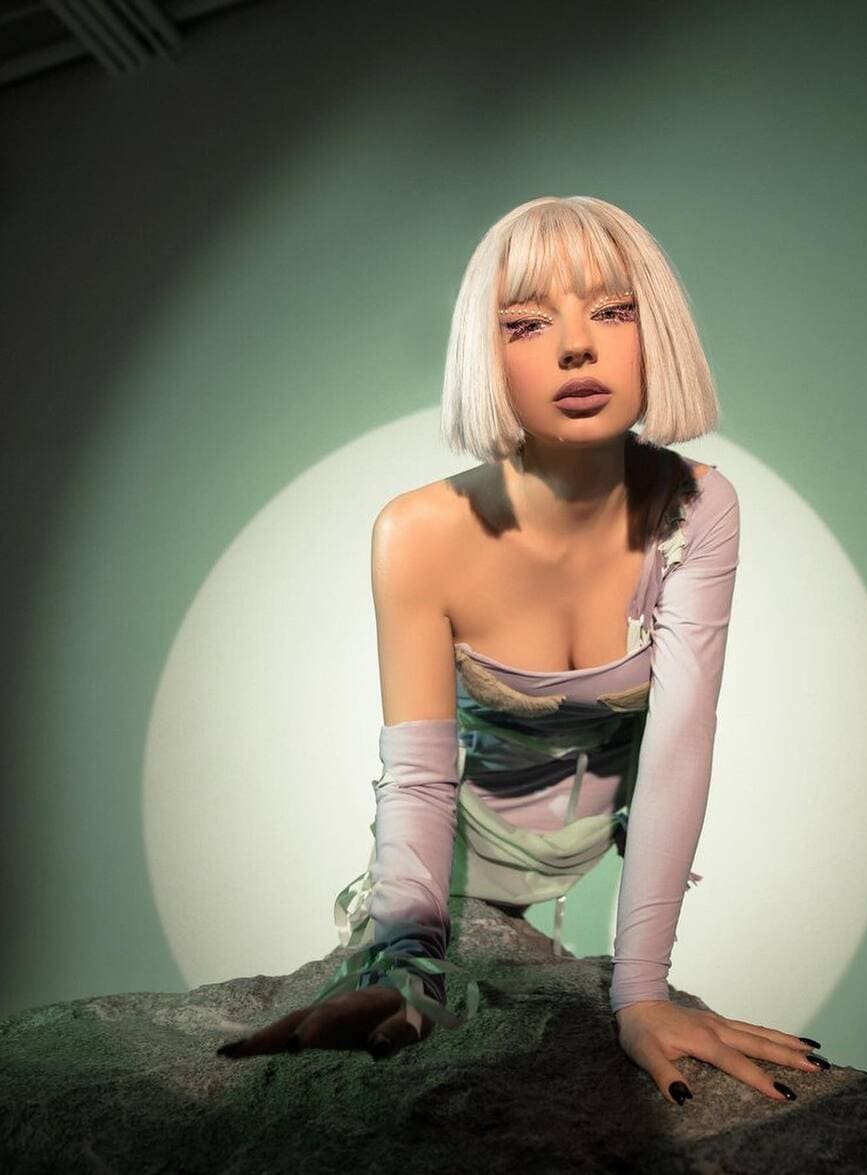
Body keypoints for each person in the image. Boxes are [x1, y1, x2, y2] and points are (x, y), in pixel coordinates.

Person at [215, 195, 828, 1105]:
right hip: (459, 862)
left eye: (612, 310)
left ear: (656, 330)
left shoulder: (699, 505)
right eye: (527, 323)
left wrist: (642, 992)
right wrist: (403, 964)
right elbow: (418, 776)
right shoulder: (417, 532)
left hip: (604, 849)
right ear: (485, 352)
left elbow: (680, 743)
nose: (576, 347)